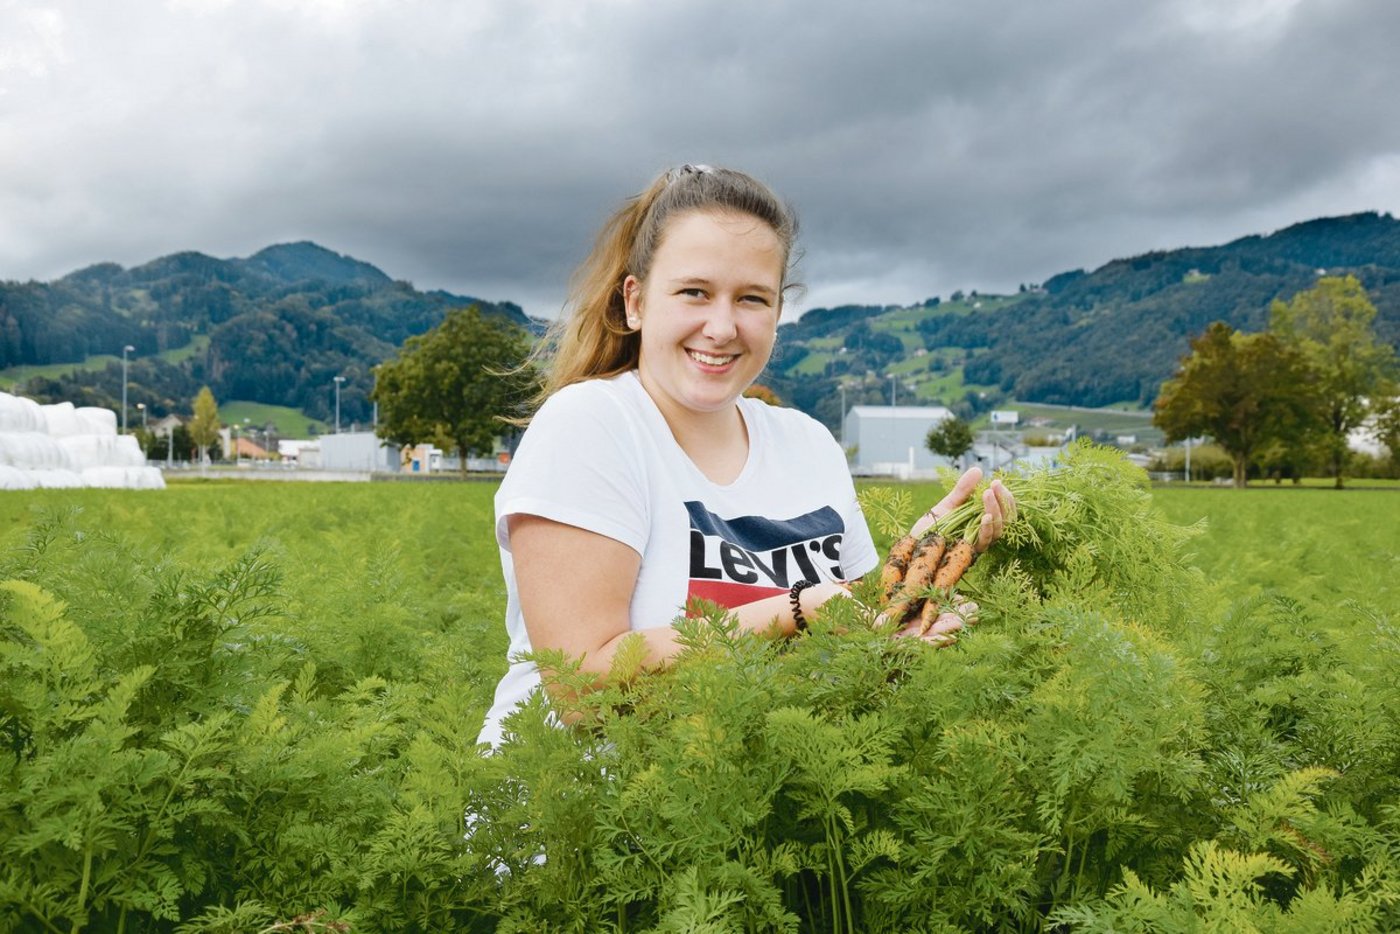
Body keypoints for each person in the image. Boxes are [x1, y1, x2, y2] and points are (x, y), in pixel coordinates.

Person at [477, 164, 1011, 748]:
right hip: (586, 798)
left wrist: (921, 577)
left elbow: (859, 637)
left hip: (755, 791)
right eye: (695, 292)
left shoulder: (808, 444)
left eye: (752, 299)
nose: (722, 327)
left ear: (777, 313)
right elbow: (582, 692)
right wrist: (794, 610)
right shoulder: (592, 426)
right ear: (635, 301)